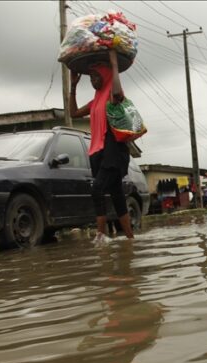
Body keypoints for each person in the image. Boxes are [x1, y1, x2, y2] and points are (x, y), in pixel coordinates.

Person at [70, 50, 133, 243]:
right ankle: (130, 239)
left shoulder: (112, 96)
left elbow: (117, 92)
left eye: (96, 77)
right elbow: (73, 113)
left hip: (113, 152)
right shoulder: (95, 100)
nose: (93, 81)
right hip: (97, 152)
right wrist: (73, 86)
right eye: (91, 78)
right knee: (117, 196)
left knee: (96, 189)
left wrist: (114, 65)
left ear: (105, 76)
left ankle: (101, 235)